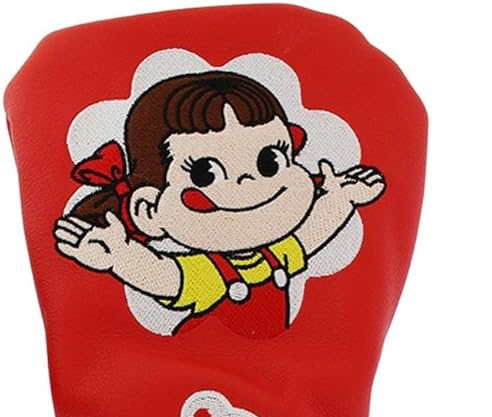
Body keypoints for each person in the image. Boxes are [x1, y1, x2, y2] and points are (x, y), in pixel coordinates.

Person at [53, 71, 385, 338]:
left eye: (270, 162)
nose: (247, 183)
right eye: (205, 174)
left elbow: (310, 235)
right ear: (149, 210)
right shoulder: (209, 273)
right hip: (185, 366)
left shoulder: (275, 254)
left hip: (279, 374)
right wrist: (121, 257)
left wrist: (341, 198)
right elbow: (165, 277)